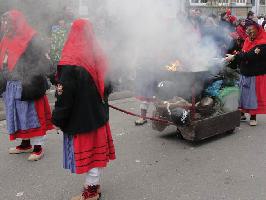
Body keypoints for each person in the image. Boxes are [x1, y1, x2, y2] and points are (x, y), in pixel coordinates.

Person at [52, 19, 115, 200]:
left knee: (91, 158)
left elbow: (64, 97)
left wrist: (58, 119)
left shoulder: (71, 61)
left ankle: (91, 192)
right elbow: (109, 85)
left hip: (82, 120)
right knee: (96, 154)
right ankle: (94, 187)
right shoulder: (98, 54)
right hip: (97, 116)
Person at [0, 10, 53, 161]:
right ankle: (25, 143)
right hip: (12, 84)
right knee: (18, 116)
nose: (4, 25)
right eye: (3, 22)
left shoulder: (31, 37)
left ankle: (38, 147)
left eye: (7, 21)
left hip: (28, 85)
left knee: (31, 116)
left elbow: (40, 62)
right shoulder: (6, 37)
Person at [226, 21, 266, 126]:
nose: (250, 34)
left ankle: (253, 116)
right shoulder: (248, 40)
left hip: (255, 73)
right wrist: (234, 57)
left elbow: (250, 55)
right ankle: (242, 114)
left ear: (257, 31)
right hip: (245, 72)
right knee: (243, 94)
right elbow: (244, 52)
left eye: (252, 31)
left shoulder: (262, 43)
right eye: (248, 31)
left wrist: (234, 57)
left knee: (253, 96)